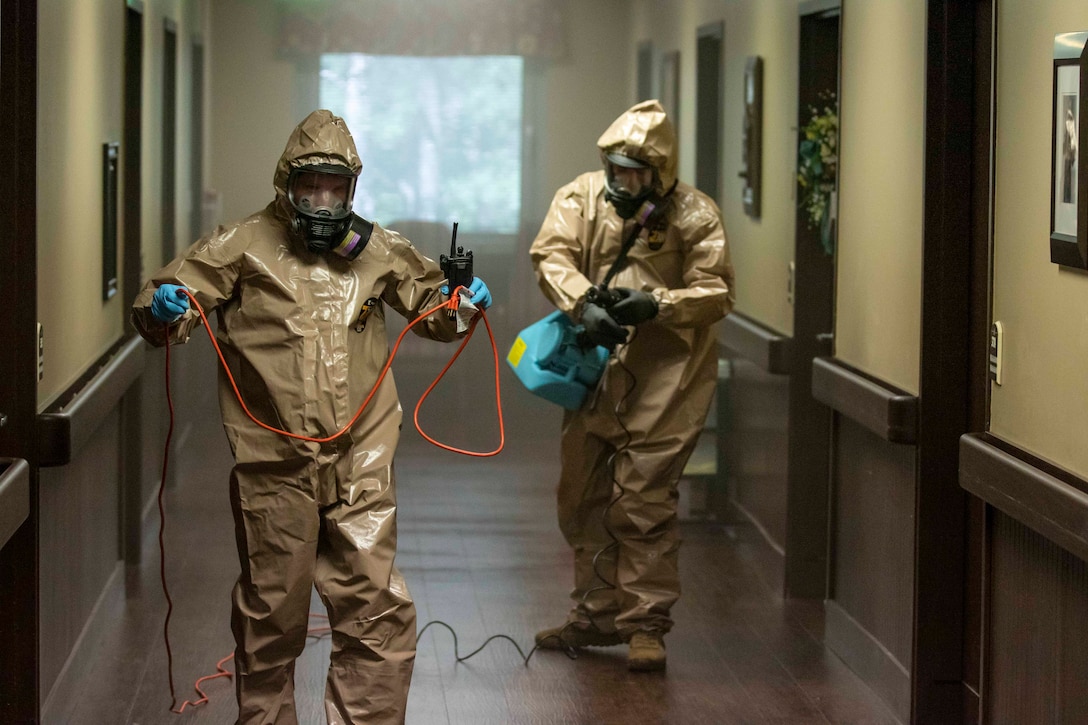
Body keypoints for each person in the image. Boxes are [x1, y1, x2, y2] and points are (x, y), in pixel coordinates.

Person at [131, 109, 491, 724]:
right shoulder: (241, 245)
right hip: (274, 460)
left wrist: (460, 304)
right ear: (286, 186)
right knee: (273, 612)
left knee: (376, 608)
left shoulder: (378, 248)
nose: (323, 202)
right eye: (310, 187)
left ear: (351, 188)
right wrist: (164, 307)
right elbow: (172, 302)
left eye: (335, 188)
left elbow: (433, 308)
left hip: (361, 457)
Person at [529, 99, 734, 672]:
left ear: (661, 174)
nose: (624, 183)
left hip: (668, 380)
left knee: (642, 502)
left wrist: (658, 304)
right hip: (596, 376)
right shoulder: (582, 197)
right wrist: (582, 304)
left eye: (637, 174)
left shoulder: (695, 215)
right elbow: (552, 254)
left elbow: (717, 291)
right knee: (583, 493)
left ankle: (645, 625)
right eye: (617, 171)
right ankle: (594, 616)